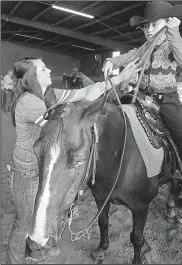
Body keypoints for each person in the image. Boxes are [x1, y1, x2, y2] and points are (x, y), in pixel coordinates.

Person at [7, 56, 141, 264]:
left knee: (39, 211)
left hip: (45, 167)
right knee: (24, 221)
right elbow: (59, 117)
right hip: (29, 170)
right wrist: (82, 109)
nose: (49, 70)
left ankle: (37, 250)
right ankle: (15, 260)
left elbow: (86, 92)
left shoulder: (48, 95)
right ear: (32, 77)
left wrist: (120, 77)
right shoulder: (29, 102)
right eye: (43, 69)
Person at [102, 1, 182, 164]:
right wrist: (111, 61)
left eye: (154, 25)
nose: (149, 30)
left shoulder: (173, 45)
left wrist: (174, 33)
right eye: (146, 27)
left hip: (167, 101)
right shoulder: (145, 47)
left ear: (168, 23)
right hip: (142, 97)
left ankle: (180, 169)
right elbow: (130, 55)